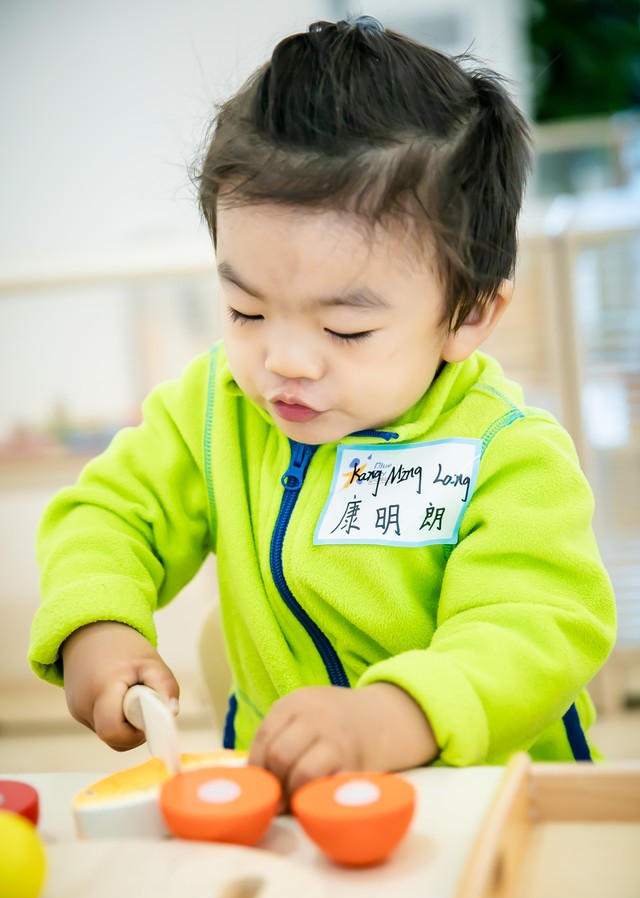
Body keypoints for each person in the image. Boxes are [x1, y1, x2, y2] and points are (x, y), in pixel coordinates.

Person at [29, 17, 616, 803]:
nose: (285, 361)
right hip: (292, 800)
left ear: (469, 314)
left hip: (486, 803)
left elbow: (534, 625)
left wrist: (391, 715)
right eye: (245, 310)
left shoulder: (509, 453)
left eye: (346, 328)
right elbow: (111, 512)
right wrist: (96, 623)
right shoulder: (216, 409)